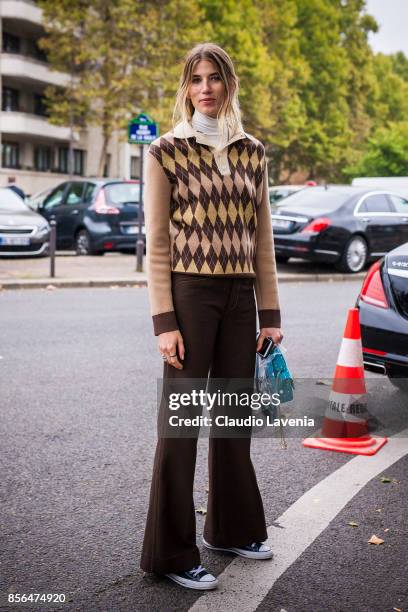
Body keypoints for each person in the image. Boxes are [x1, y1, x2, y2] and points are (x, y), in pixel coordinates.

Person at [140, 42, 283, 591]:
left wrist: (269, 313)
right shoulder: (165, 152)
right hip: (190, 296)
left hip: (239, 297)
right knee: (180, 428)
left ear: (229, 85)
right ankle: (171, 554)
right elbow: (155, 243)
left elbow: (262, 240)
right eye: (196, 79)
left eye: (215, 78)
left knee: (234, 422)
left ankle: (231, 528)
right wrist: (163, 321)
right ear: (186, 86)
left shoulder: (252, 152)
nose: (206, 87)